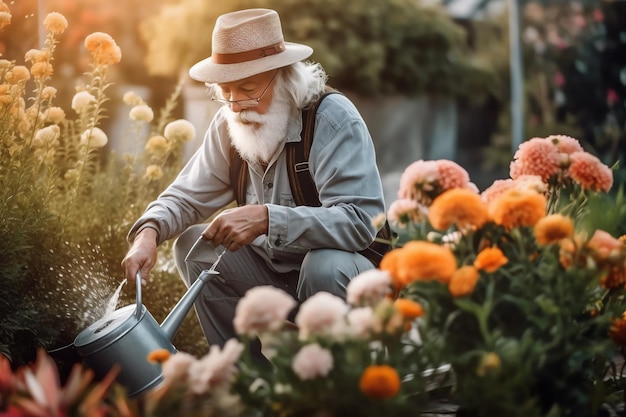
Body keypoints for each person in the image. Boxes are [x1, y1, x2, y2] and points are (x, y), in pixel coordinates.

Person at [121, 8, 386, 362]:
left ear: (284, 76)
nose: (236, 105)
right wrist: (148, 233)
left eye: (247, 88)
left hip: (347, 281)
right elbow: (186, 196)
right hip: (274, 278)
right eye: (225, 91)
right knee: (194, 246)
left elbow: (360, 222)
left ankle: (343, 383)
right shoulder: (230, 122)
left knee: (324, 266)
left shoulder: (332, 119)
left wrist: (266, 218)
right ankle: (245, 383)